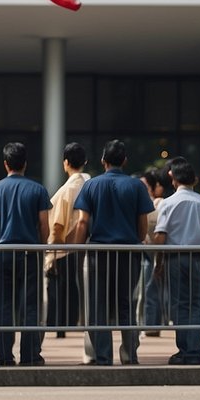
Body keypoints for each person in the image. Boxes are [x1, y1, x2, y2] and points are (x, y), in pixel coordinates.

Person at [72, 140, 153, 366]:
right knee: (126, 305)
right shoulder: (136, 186)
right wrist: (135, 240)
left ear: (102, 161)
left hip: (98, 254)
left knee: (97, 308)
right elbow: (143, 225)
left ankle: (102, 356)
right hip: (128, 254)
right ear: (125, 161)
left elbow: (82, 223)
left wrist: (78, 251)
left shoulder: (91, 186)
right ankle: (129, 355)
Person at [0, 142, 51, 366]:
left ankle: (4, 355)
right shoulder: (38, 189)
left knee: (4, 305)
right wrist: (41, 248)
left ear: (5, 164)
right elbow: (44, 225)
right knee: (30, 305)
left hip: (3, 252)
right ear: (25, 163)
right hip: (30, 252)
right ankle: (30, 354)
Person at [152, 157, 200, 364]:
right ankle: (195, 351)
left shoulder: (167, 203)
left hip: (174, 257)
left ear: (173, 179)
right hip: (198, 256)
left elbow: (161, 235)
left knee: (179, 304)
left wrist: (159, 261)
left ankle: (183, 350)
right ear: (195, 180)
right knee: (197, 303)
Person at [46, 142, 89, 342]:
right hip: (83, 245)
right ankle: (70, 327)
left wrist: (51, 255)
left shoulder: (66, 190)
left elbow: (57, 226)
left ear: (65, 163)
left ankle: (59, 330)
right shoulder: (89, 184)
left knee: (59, 293)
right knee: (74, 291)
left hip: (63, 249)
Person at [138, 167, 171, 336]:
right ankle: (150, 324)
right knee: (148, 290)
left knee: (151, 289)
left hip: (155, 251)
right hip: (148, 250)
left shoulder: (159, 203)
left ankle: (152, 325)